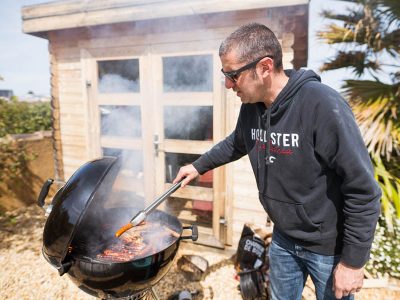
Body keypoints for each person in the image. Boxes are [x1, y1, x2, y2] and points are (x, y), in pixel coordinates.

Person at [173, 23, 381, 300]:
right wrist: (198, 165)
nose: (227, 84)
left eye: (233, 75)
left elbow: (363, 189)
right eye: (225, 74)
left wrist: (353, 263)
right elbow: (238, 142)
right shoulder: (252, 108)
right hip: (283, 237)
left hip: (327, 246)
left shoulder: (322, 105)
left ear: (265, 67)